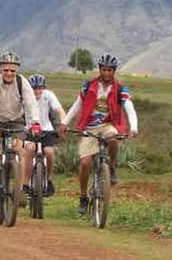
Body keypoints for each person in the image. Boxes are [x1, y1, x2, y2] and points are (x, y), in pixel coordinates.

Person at [60, 53, 139, 215]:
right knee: (84, 163)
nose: (107, 73)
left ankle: (111, 167)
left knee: (113, 138)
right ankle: (83, 196)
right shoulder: (89, 86)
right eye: (104, 69)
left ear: (114, 71)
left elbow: (129, 107)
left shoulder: (120, 89)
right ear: (100, 69)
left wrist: (133, 127)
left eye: (110, 70)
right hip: (89, 128)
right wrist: (64, 123)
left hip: (109, 125)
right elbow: (78, 105)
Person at [0, 52, 41, 195]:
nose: (9, 73)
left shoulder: (22, 82)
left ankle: (20, 189)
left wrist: (35, 122)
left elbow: (31, 103)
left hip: (16, 122)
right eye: (6, 70)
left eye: (13, 70)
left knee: (19, 151)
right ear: (0, 69)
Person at [22, 74, 66, 197]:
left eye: (40, 88)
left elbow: (60, 110)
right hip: (28, 129)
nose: (37, 91)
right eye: (34, 88)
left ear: (44, 88)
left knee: (49, 152)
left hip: (46, 129)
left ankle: (48, 179)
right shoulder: (24, 97)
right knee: (29, 150)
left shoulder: (49, 95)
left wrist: (64, 122)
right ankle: (25, 183)